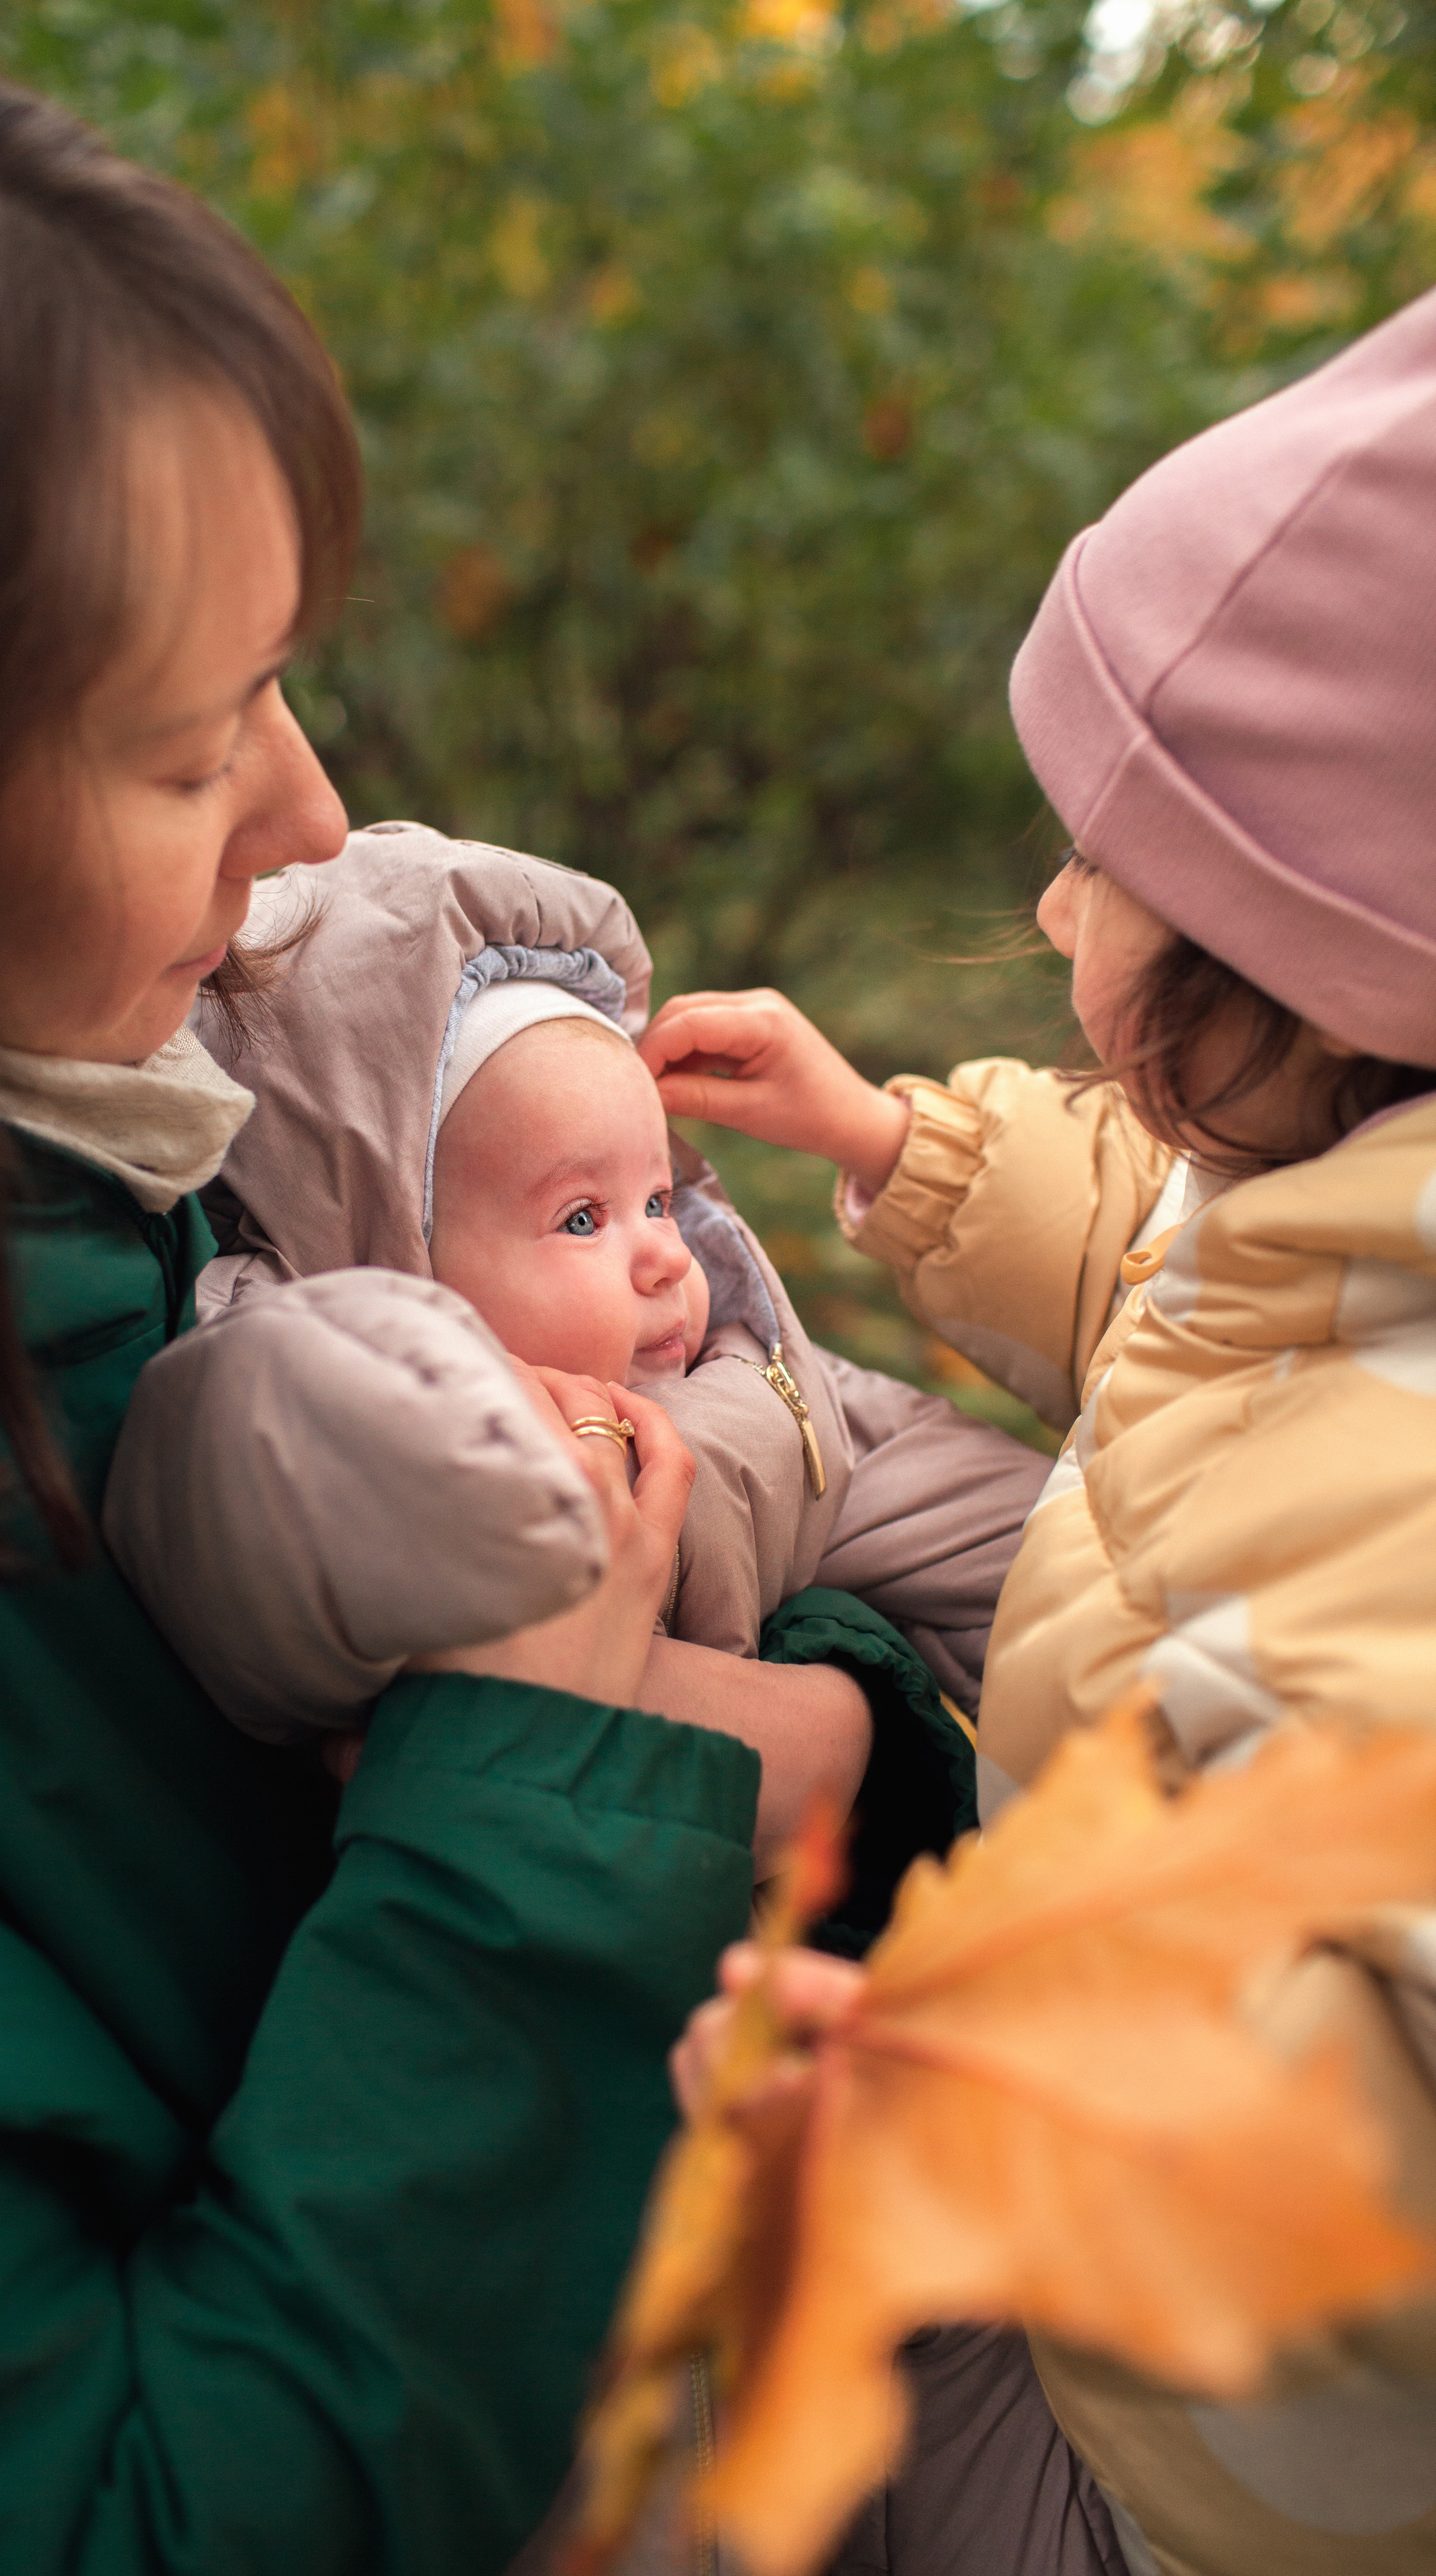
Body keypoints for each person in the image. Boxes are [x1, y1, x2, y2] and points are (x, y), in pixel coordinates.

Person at [0, 9, 776, 2570]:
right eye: (189, 744)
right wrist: (546, 1801)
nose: (309, 822)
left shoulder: (91, 1194)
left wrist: (780, 1716)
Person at [644, 288, 1436, 2574]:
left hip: (1225, 2497)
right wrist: (901, 1147)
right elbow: (1184, 1278)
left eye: (1115, 872)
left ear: (1323, 968)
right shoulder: (1328, 1205)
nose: (1049, 901)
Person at [103, 823, 1045, 1876]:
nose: (662, 1257)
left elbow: (1045, 1557)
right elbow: (256, 1455)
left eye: (657, 1198)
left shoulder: (776, 1390)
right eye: (583, 1219)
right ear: (398, 1263)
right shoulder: (334, 1391)